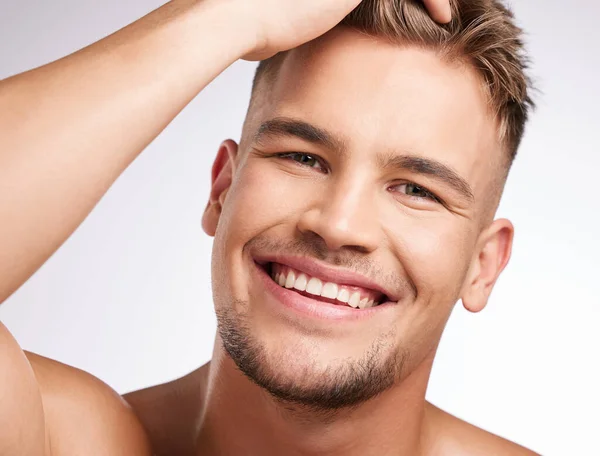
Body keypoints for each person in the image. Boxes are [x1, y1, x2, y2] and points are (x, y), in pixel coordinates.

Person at [0, 0, 539, 454]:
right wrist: (228, 15)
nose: (338, 223)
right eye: (303, 157)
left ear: (483, 265)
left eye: (417, 190)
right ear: (221, 189)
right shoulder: (62, 440)